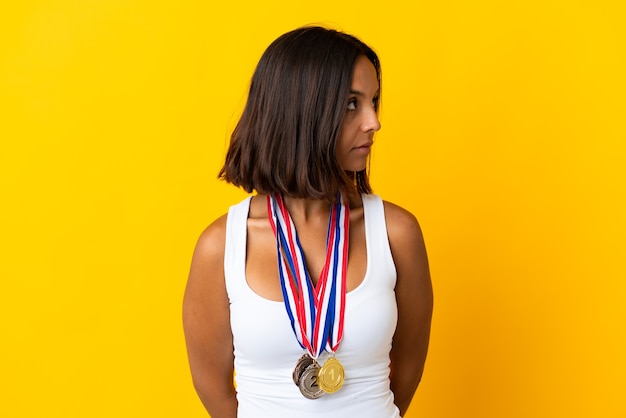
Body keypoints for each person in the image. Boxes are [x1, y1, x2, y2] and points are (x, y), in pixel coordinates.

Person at [183, 26, 433, 418]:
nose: (373, 122)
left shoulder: (396, 233)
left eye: (374, 101)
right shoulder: (222, 246)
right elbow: (212, 387)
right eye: (352, 103)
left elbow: (409, 368)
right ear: (301, 111)